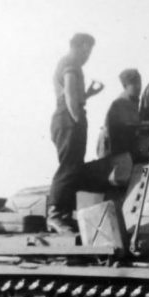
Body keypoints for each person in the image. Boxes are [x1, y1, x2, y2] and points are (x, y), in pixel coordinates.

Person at [48, 32, 105, 234]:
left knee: (73, 166)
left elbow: (73, 95)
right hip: (68, 118)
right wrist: (78, 121)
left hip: (66, 117)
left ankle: (62, 214)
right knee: (69, 167)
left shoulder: (67, 62)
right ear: (81, 46)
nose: (88, 54)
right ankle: (55, 215)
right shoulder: (71, 62)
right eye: (88, 49)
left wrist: (89, 93)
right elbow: (71, 95)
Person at [97, 68, 141, 158]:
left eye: (139, 83)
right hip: (112, 151)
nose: (138, 87)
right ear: (125, 86)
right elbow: (110, 134)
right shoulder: (120, 104)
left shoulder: (133, 101)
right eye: (134, 84)